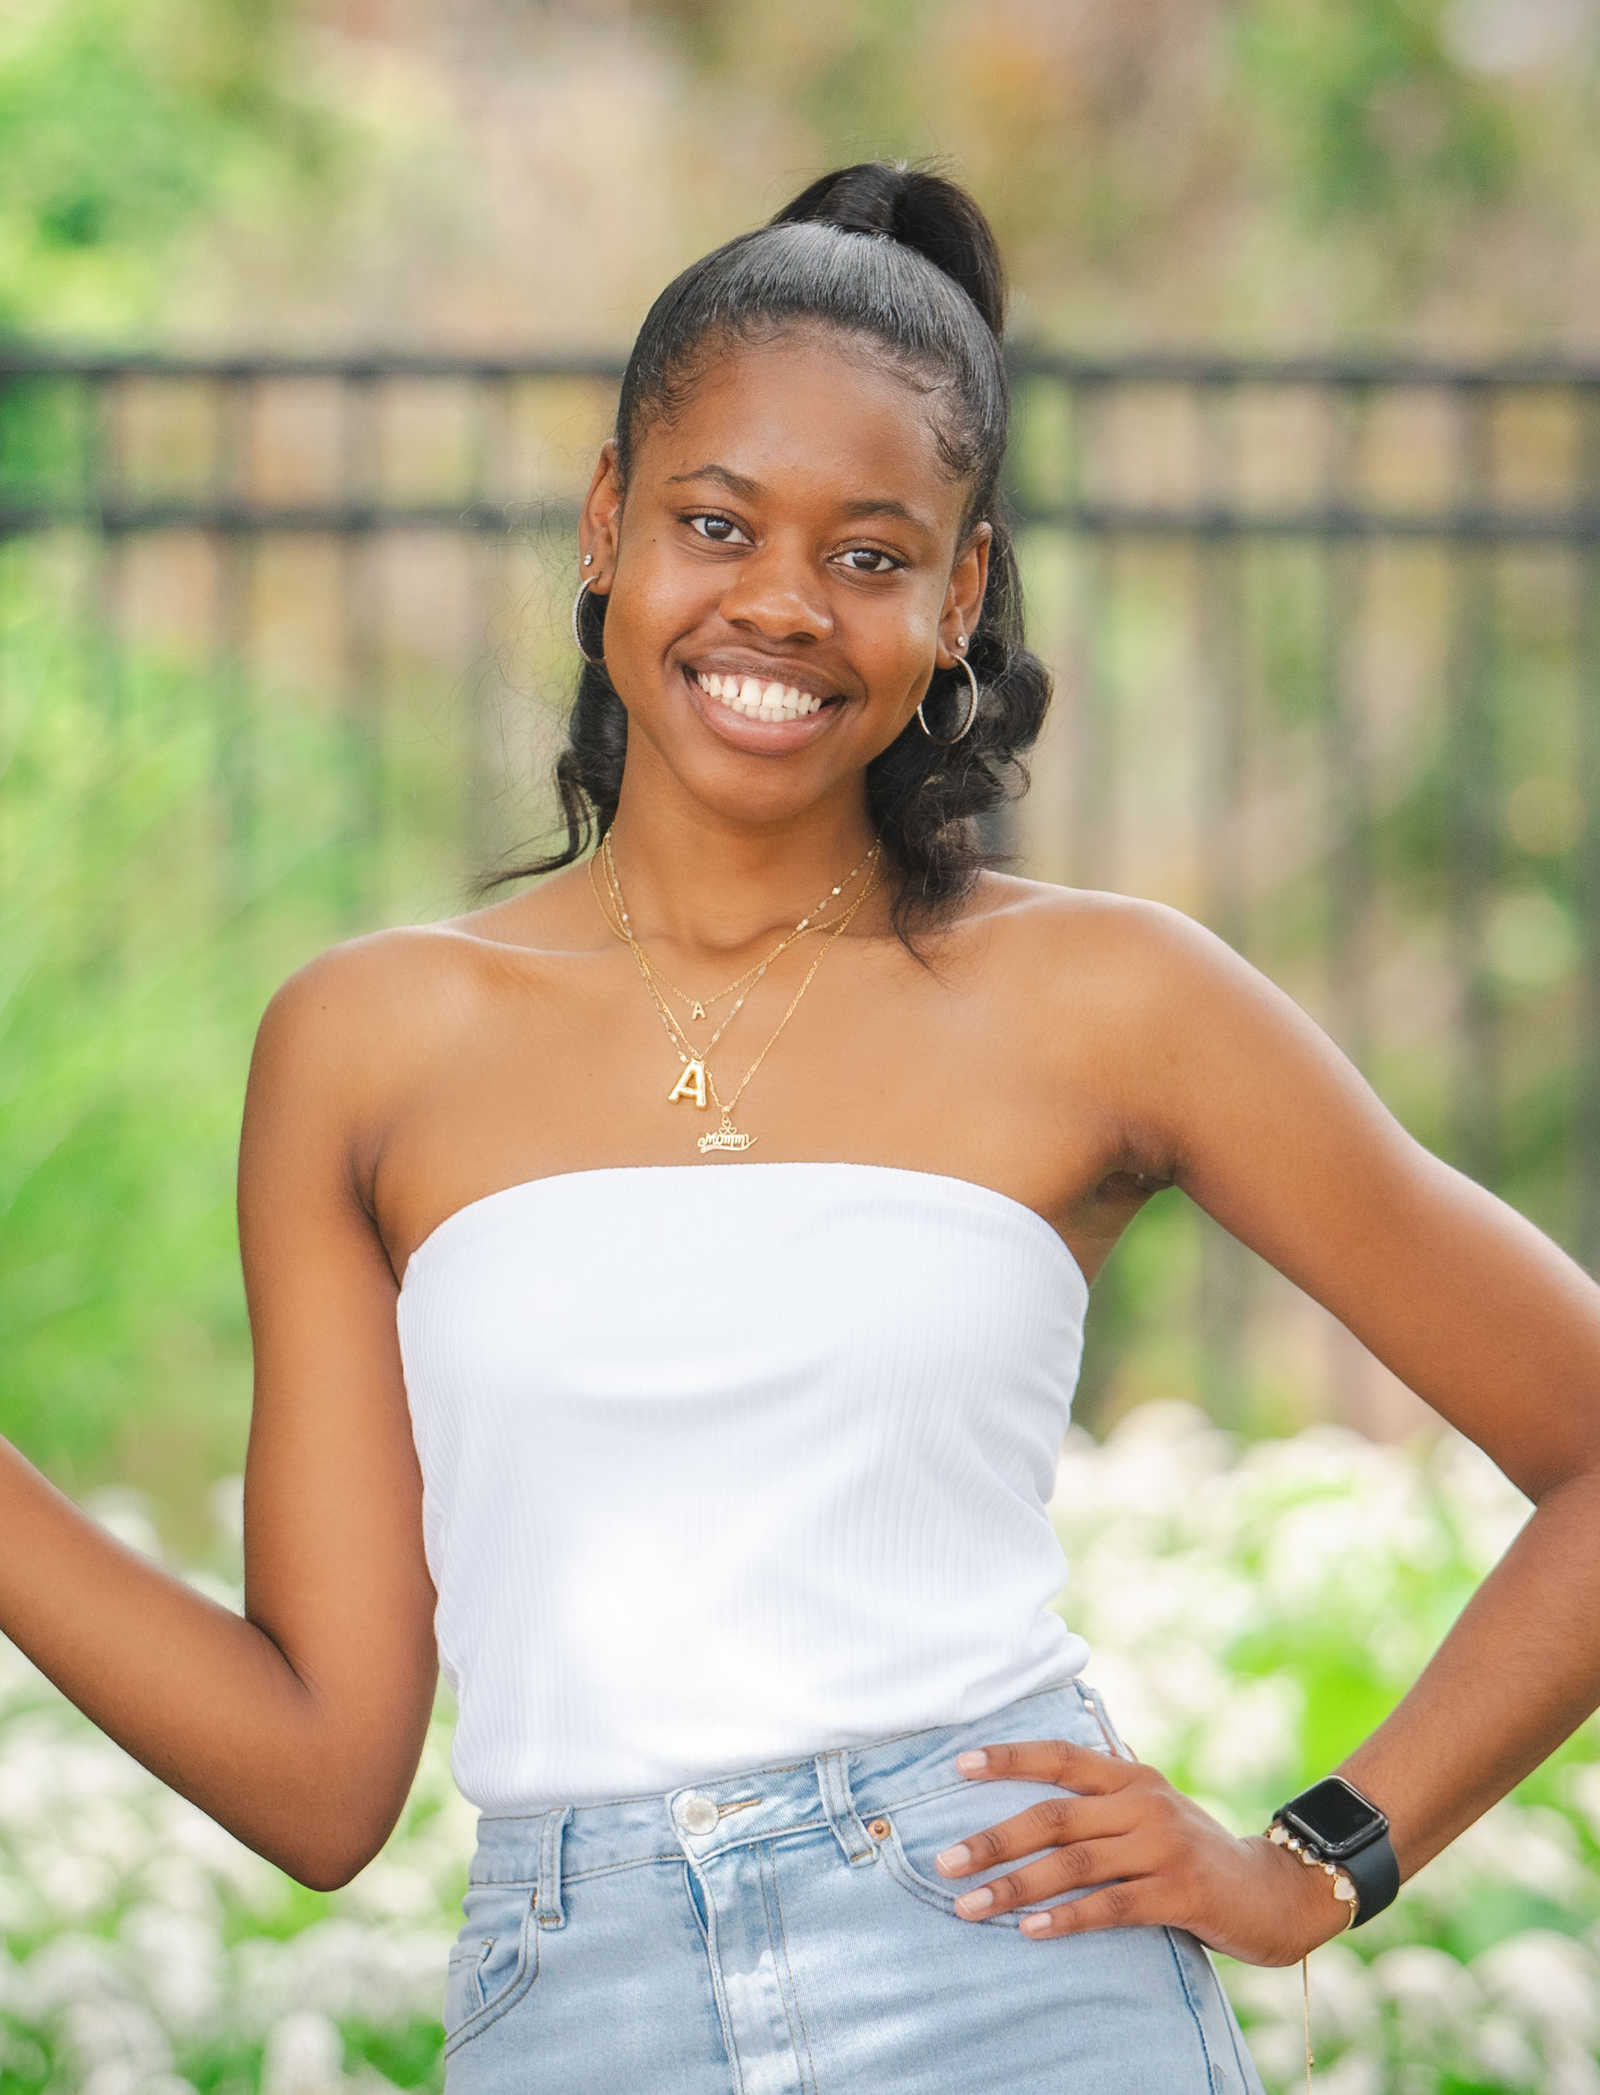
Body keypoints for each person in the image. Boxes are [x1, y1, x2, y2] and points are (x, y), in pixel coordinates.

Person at [4, 161, 1600, 2095]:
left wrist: (1317, 1861)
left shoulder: (1113, 1000)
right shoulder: (369, 1040)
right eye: (714, 521)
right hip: (574, 2008)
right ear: (610, 525)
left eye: (869, 552)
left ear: (963, 593)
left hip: (1023, 1989)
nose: (780, 601)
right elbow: (327, 1775)